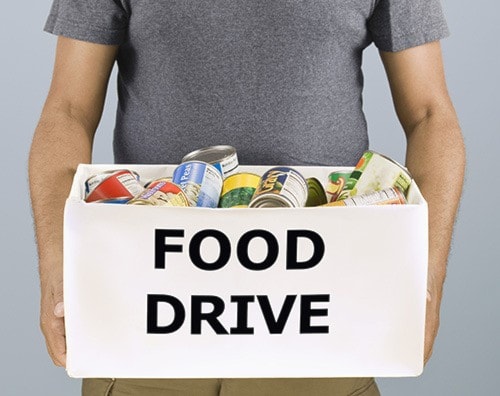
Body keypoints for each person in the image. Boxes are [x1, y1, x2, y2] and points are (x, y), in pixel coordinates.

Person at [29, 0, 465, 395]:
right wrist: (57, 266)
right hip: (148, 315)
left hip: (319, 323)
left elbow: (430, 114)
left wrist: (424, 278)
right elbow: (68, 109)